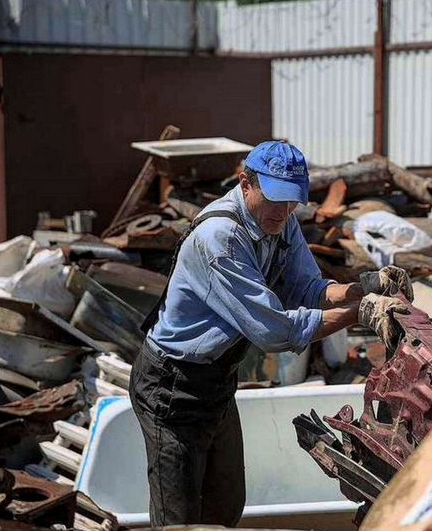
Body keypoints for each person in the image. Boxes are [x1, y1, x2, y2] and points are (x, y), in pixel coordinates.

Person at [128, 140, 413, 527]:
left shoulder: (281, 221)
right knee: (179, 520)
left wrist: (366, 287)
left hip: (215, 382)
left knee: (225, 506)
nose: (284, 210)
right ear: (246, 183)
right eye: (276, 197)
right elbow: (274, 332)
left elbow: (308, 288)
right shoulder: (220, 238)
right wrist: (360, 314)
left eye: (292, 200)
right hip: (172, 387)